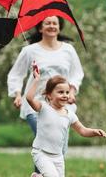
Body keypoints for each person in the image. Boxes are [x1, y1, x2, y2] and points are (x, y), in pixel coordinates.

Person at [7, 16, 84, 176]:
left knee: (59, 147)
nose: (51, 25)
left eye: (54, 23)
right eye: (47, 23)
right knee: (47, 142)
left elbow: (77, 73)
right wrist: (17, 94)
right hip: (35, 105)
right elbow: (16, 74)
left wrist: (72, 91)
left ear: (59, 27)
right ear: (40, 28)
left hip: (62, 105)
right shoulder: (29, 50)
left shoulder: (68, 50)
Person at [26, 70, 106, 177]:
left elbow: (82, 130)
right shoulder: (43, 108)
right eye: (60, 92)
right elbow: (29, 98)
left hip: (58, 157)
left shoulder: (70, 115)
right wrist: (36, 80)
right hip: (41, 153)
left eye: (67, 92)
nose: (65, 95)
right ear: (49, 95)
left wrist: (94, 131)